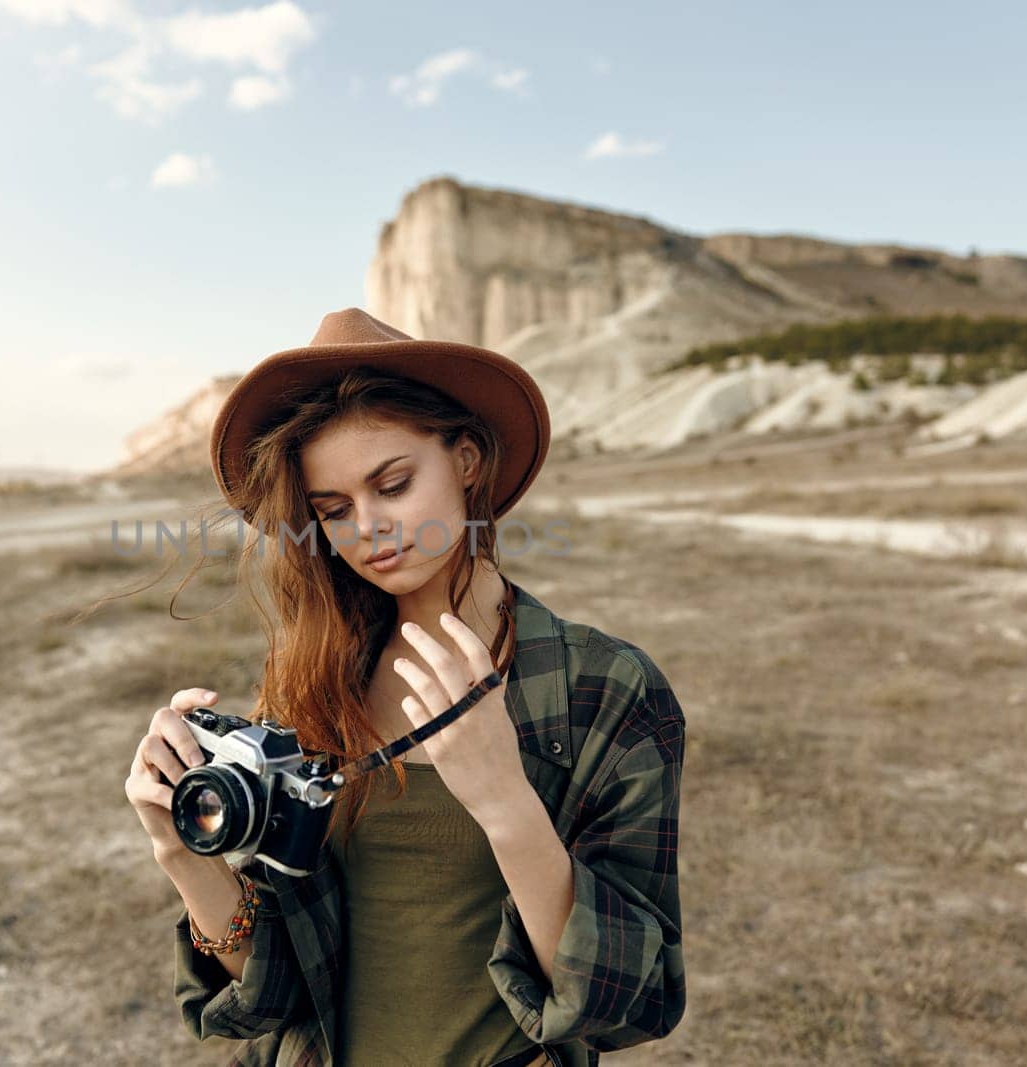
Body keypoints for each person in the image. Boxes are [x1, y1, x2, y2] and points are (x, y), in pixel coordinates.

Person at [123, 307, 687, 1067]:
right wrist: (183, 851)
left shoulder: (605, 689)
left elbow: (633, 1005)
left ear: (465, 460)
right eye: (333, 510)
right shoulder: (308, 687)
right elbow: (270, 997)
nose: (369, 528)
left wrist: (505, 801)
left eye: (392, 484)